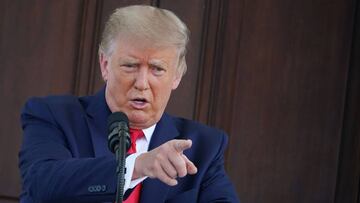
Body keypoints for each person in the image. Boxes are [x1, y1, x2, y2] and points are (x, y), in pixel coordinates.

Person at [19, 5, 240, 203]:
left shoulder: (203, 147)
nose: (142, 83)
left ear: (177, 76)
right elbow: (41, 184)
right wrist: (136, 166)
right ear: (105, 65)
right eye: (130, 66)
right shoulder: (53, 116)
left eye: (157, 69)